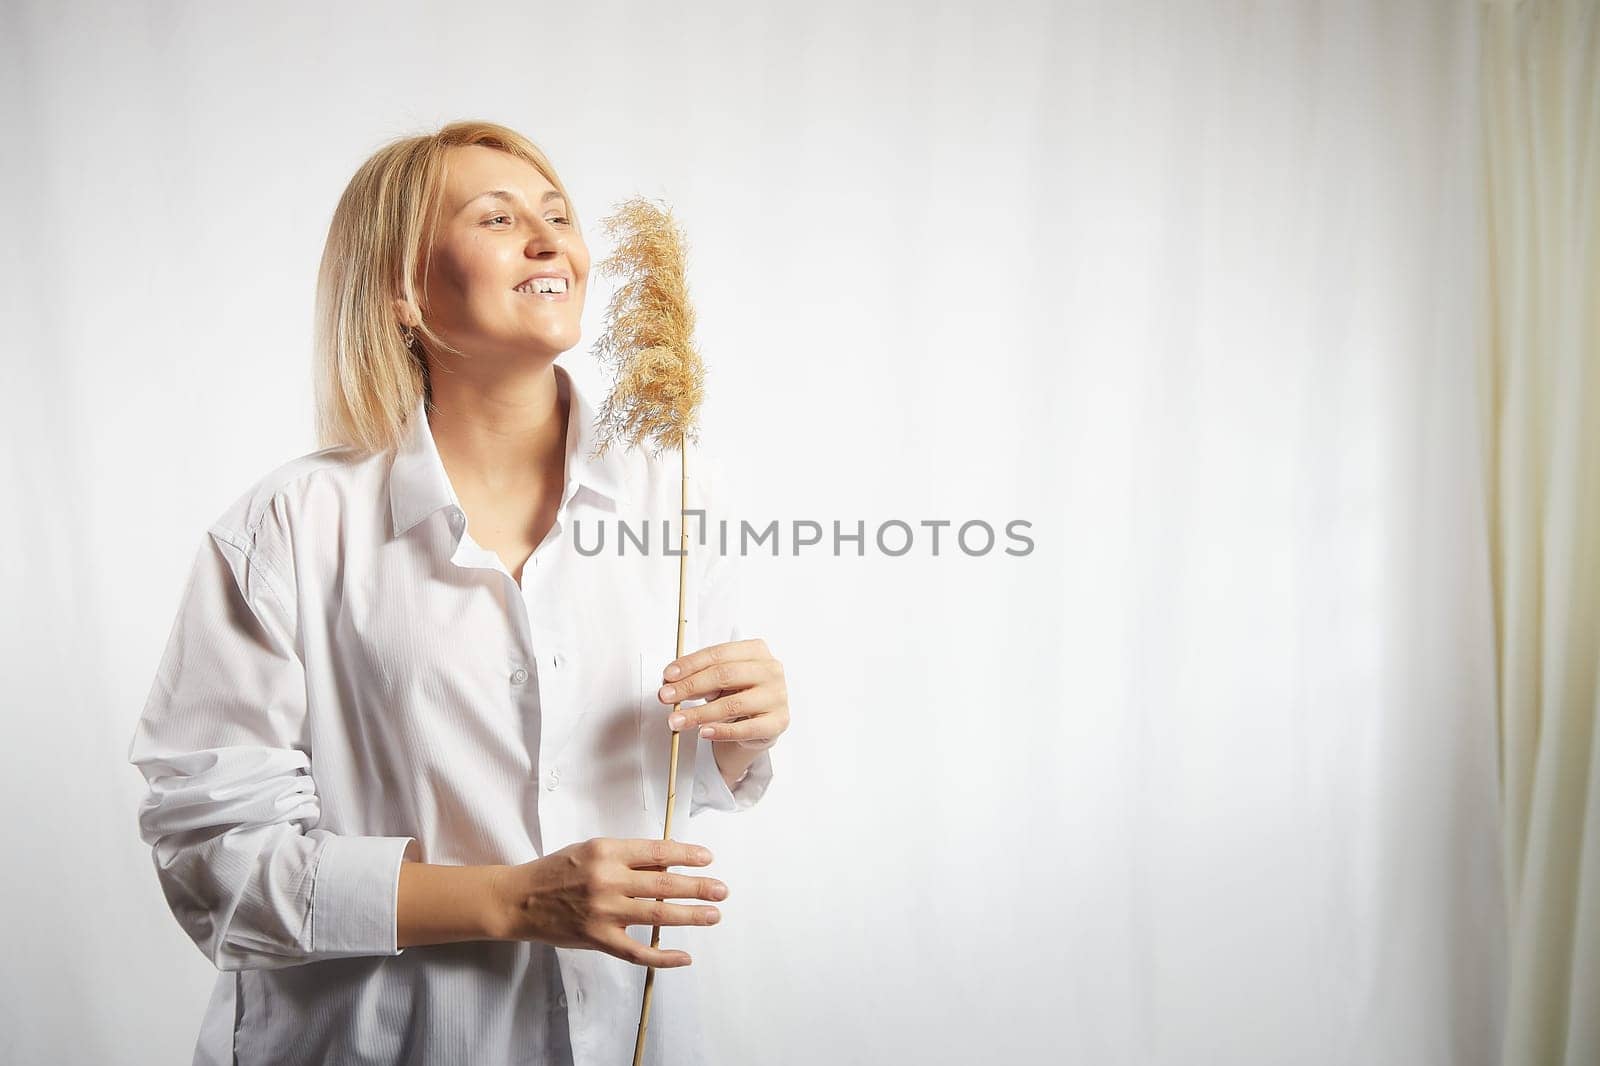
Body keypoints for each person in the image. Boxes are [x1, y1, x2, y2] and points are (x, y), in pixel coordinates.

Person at [128, 120, 786, 1066]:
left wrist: (741, 734)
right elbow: (217, 866)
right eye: (497, 217)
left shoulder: (677, 499)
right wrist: (515, 899)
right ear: (403, 289)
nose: (550, 237)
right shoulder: (288, 528)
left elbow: (664, 789)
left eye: (558, 214)